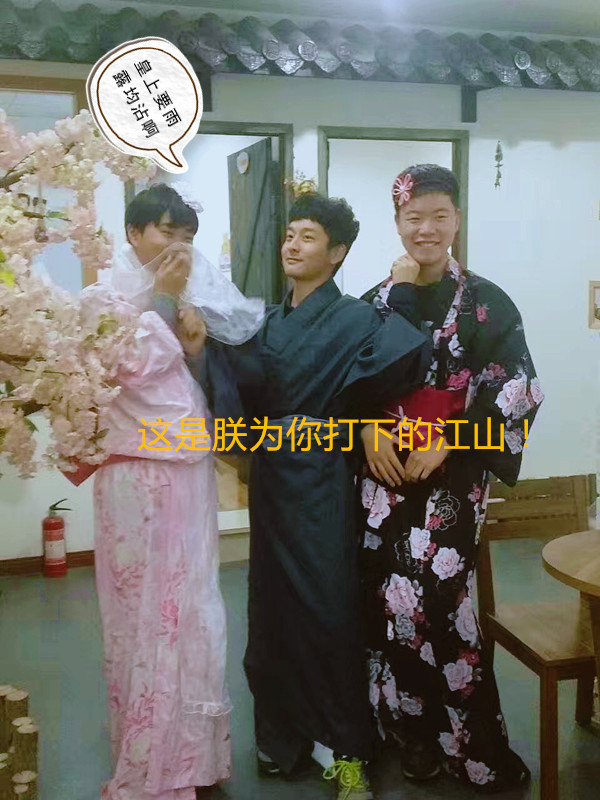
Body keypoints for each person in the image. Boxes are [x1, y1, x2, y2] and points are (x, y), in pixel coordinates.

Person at [205, 193, 430, 800]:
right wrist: (204, 345)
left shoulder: (355, 318)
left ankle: (348, 751)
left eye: (308, 236)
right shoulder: (264, 322)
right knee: (271, 609)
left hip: (324, 480)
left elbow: (397, 363)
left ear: (337, 253)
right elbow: (238, 389)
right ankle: (281, 740)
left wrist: (405, 294)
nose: (292, 245)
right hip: (272, 482)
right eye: (289, 234)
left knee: (328, 608)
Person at [359, 164, 543, 792]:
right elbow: (348, 384)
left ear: (457, 220)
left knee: (442, 602)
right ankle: (409, 734)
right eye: (414, 217)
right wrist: (367, 428)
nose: (427, 229)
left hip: (452, 478)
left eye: (440, 216)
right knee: (390, 604)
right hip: (385, 479)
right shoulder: (376, 301)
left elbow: (518, 388)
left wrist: (451, 438)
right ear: (397, 223)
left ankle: (470, 744)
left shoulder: (489, 303)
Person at [79, 184, 260, 800]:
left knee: (194, 609)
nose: (177, 246)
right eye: (165, 231)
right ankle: (150, 763)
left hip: (188, 468)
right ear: (133, 233)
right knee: (147, 615)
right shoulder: (102, 298)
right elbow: (126, 367)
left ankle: (193, 759)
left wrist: (198, 348)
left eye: (186, 236)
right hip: (137, 476)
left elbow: (194, 383)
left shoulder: (183, 299)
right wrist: (163, 300)